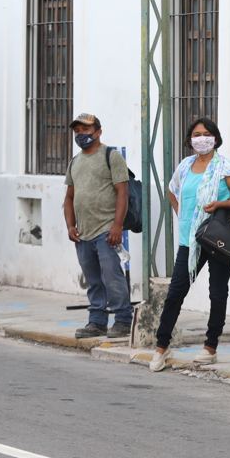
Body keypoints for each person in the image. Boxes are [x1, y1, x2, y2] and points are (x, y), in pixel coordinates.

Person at [150, 118, 230, 372]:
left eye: (206, 134)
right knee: (175, 293)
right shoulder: (185, 166)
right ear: (189, 139)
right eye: (196, 134)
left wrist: (219, 205)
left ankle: (210, 347)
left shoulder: (227, 167)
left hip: (218, 239)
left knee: (217, 292)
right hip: (189, 240)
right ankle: (161, 347)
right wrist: (183, 216)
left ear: (215, 138)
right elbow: (172, 191)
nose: (201, 138)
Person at [63, 113, 132, 339]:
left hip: (106, 230)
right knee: (93, 280)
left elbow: (123, 193)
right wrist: (70, 225)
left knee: (112, 277)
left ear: (98, 131)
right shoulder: (75, 162)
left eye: (86, 129)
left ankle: (123, 320)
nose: (81, 134)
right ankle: (97, 322)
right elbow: (69, 198)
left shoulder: (110, 156)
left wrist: (117, 226)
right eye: (77, 131)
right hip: (83, 233)